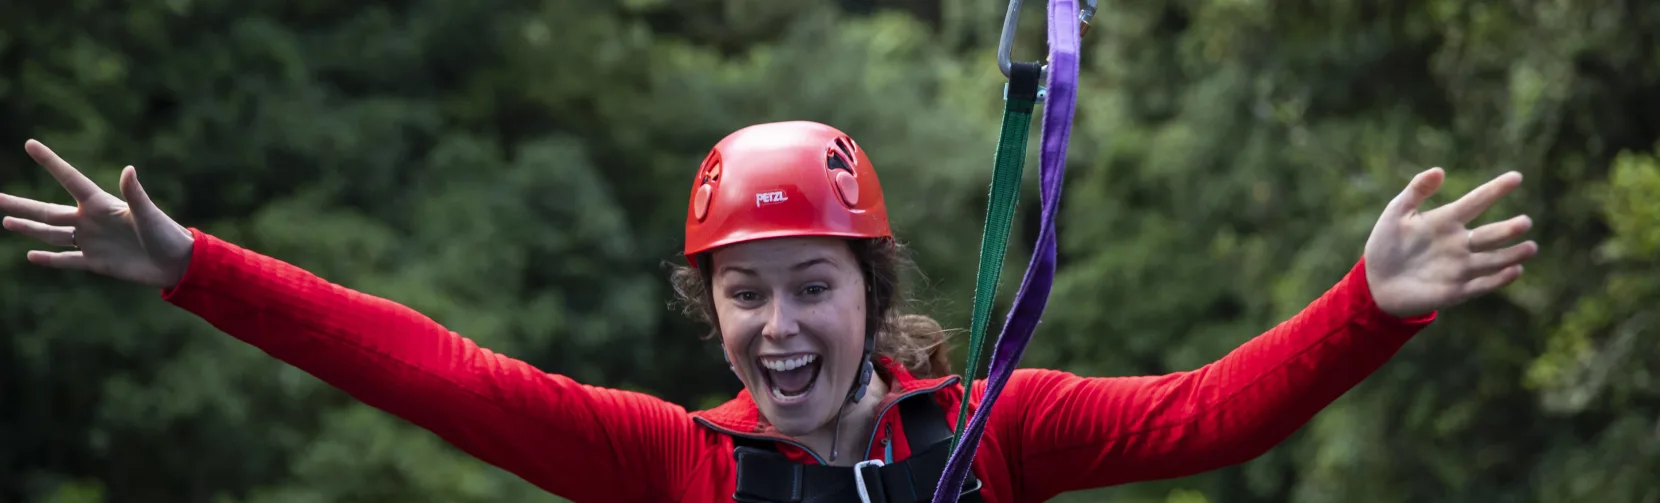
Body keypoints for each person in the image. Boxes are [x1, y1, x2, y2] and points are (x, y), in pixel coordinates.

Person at [2, 121, 1536, 503]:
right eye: (747, 293)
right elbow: (430, 369)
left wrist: (1369, 305)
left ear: (873, 297)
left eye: (814, 286)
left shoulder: (995, 437)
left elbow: (1209, 416)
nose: (781, 324)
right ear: (711, 308)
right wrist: (198, 265)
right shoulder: (679, 461)